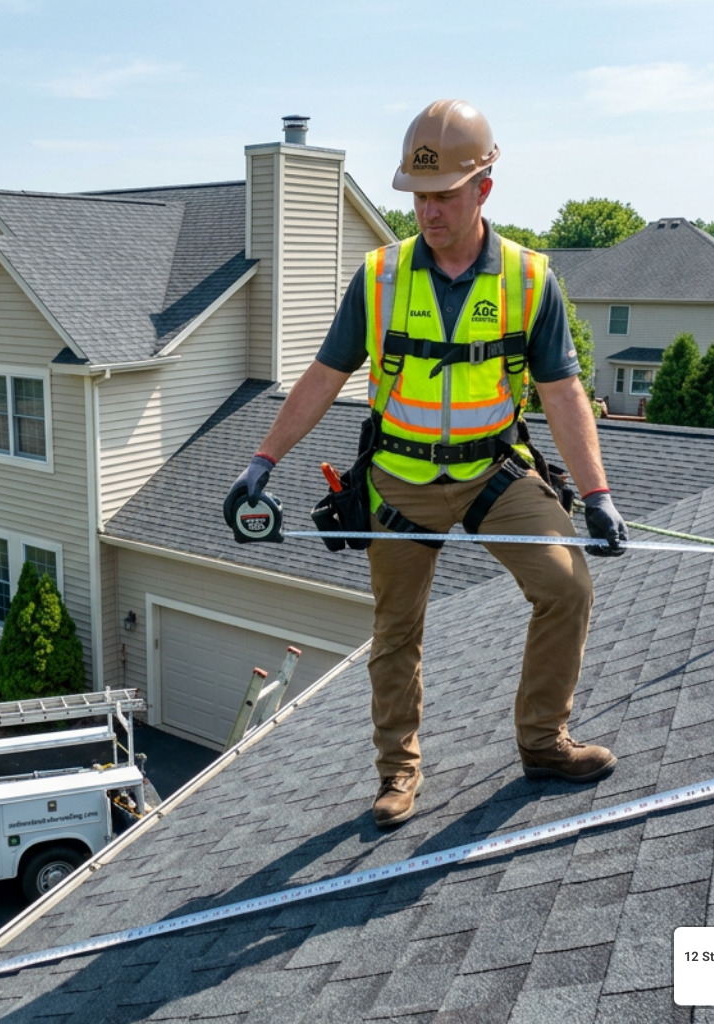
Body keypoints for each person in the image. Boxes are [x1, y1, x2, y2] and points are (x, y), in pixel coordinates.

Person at [224, 99, 629, 828]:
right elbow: (323, 375)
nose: (429, 212)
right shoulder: (378, 277)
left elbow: (563, 393)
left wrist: (597, 493)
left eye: (443, 195)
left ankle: (543, 743)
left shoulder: (530, 279)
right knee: (397, 633)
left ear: (484, 189)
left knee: (566, 588)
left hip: (492, 477)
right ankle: (397, 774)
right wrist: (261, 462)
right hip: (400, 484)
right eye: (417, 196)